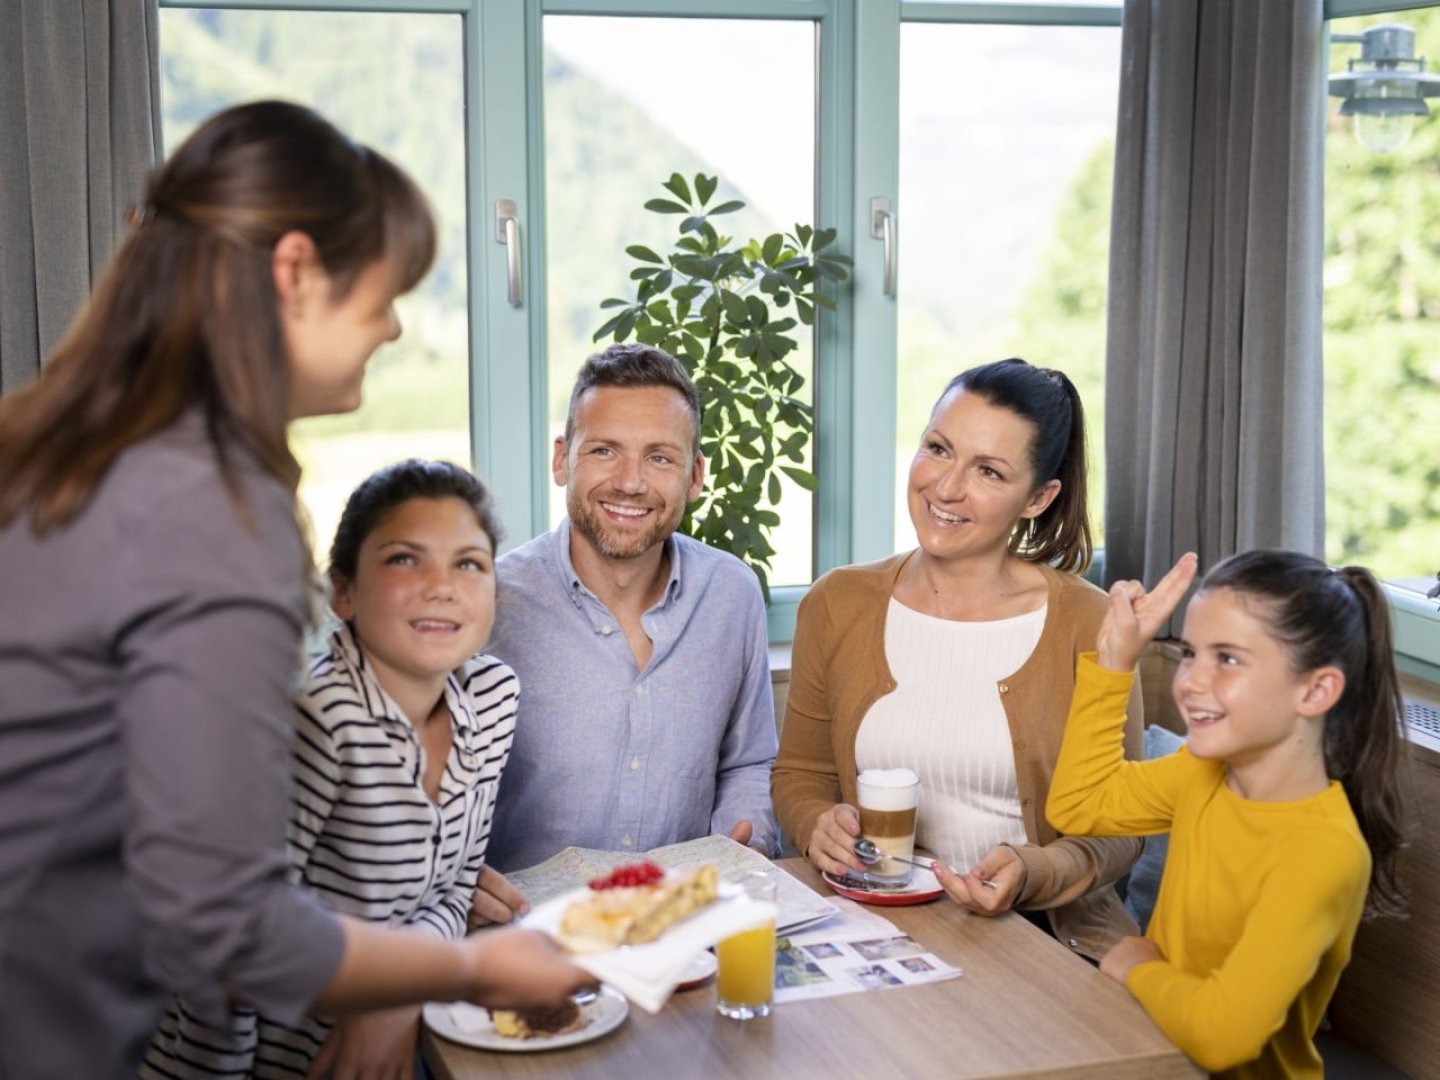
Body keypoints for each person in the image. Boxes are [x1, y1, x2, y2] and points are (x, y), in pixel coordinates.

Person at [0, 102, 589, 1080]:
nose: (396, 324)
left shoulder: (60, 446)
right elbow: (226, 923)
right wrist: (469, 967)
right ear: (295, 271)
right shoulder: (211, 510)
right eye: (386, 292)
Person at [143, 460, 519, 1076]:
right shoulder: (316, 721)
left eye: (469, 563)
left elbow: (457, 888)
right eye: (404, 558)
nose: (441, 585)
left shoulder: (494, 698)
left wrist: (394, 996)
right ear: (342, 591)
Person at [773, 358, 1143, 961]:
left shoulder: (1089, 622)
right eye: (938, 448)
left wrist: (1038, 870)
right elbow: (800, 774)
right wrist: (816, 823)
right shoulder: (837, 602)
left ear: (1039, 497)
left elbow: (1122, 825)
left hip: (1047, 939)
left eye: (989, 471)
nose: (946, 488)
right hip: (872, 930)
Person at [1047, 550, 1407, 1078]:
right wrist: (1114, 666)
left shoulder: (1322, 849)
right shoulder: (1201, 772)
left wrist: (1139, 968)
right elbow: (1079, 804)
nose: (1191, 680)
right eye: (1191, 653)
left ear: (1316, 690)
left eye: (1228, 659)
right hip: (1150, 1052)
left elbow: (1225, 1038)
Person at [482, 342, 778, 875]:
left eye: (660, 457)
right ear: (560, 459)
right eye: (604, 451)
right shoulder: (491, 604)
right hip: (527, 937)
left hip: (684, 925)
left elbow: (749, 762)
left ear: (694, 476)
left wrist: (747, 842)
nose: (630, 482)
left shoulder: (732, 594)